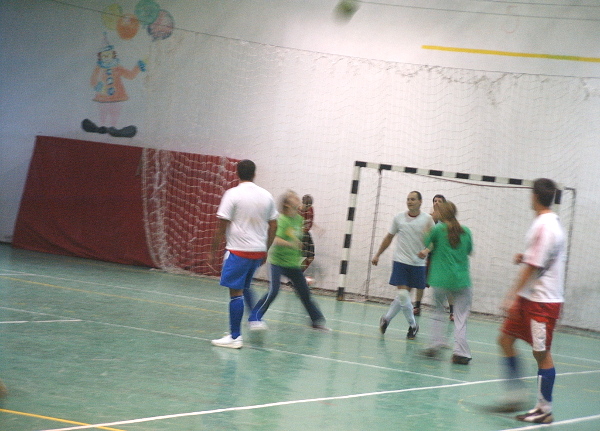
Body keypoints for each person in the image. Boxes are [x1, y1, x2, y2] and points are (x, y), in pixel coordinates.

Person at [496, 178, 566, 424]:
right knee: (505, 339)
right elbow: (541, 256)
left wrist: (510, 295)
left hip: (542, 301)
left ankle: (544, 409)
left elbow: (535, 266)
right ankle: (516, 395)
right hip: (530, 298)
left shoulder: (546, 225)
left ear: (534, 196)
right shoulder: (547, 222)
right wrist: (525, 256)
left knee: (541, 353)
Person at [209, 160, 278, 349]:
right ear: (254, 174)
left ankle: (235, 337)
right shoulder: (266, 195)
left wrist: (212, 250)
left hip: (238, 251)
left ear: (237, 173)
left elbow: (221, 225)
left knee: (235, 293)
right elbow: (274, 225)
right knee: (242, 290)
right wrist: (265, 249)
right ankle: (244, 325)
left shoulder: (232, 194)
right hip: (257, 252)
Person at [249, 190, 328, 330]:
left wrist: (300, 241)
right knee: (273, 291)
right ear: (287, 204)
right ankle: (255, 316)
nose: (297, 198)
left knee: (304, 293)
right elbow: (276, 239)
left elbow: (294, 234)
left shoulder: (299, 219)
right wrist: (291, 243)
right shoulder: (282, 220)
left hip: (293, 265)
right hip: (277, 263)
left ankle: (316, 321)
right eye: (293, 197)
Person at [372, 191, 434, 339]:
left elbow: (433, 241)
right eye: (408, 199)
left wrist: (426, 250)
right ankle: (413, 325)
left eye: (413, 199)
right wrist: (378, 254)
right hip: (400, 262)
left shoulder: (427, 219)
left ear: (420, 202)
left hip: (418, 264)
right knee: (403, 294)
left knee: (403, 298)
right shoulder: (399, 218)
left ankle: (386, 319)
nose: (410, 201)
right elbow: (389, 237)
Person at [421, 201, 473, 364]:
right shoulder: (466, 231)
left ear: (441, 214)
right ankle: (460, 353)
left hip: (440, 279)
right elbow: (469, 250)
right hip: (461, 280)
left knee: (438, 312)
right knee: (460, 317)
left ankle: (435, 344)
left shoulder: (437, 229)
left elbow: (426, 242)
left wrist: (427, 226)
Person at [419, 194, 455, 321]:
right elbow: (426, 235)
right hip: (430, 256)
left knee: (447, 285)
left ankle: (452, 311)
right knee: (421, 281)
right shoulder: (429, 219)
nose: (436, 203)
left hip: (443, 257)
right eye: (435, 201)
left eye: (439, 201)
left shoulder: (448, 221)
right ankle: (417, 306)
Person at [299, 194, 315, 272]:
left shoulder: (310, 210)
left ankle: (299, 273)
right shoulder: (297, 212)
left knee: (311, 257)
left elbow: (309, 222)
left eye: (309, 206)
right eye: (306, 206)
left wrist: (317, 228)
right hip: (297, 235)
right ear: (302, 203)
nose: (308, 208)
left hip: (306, 234)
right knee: (294, 257)